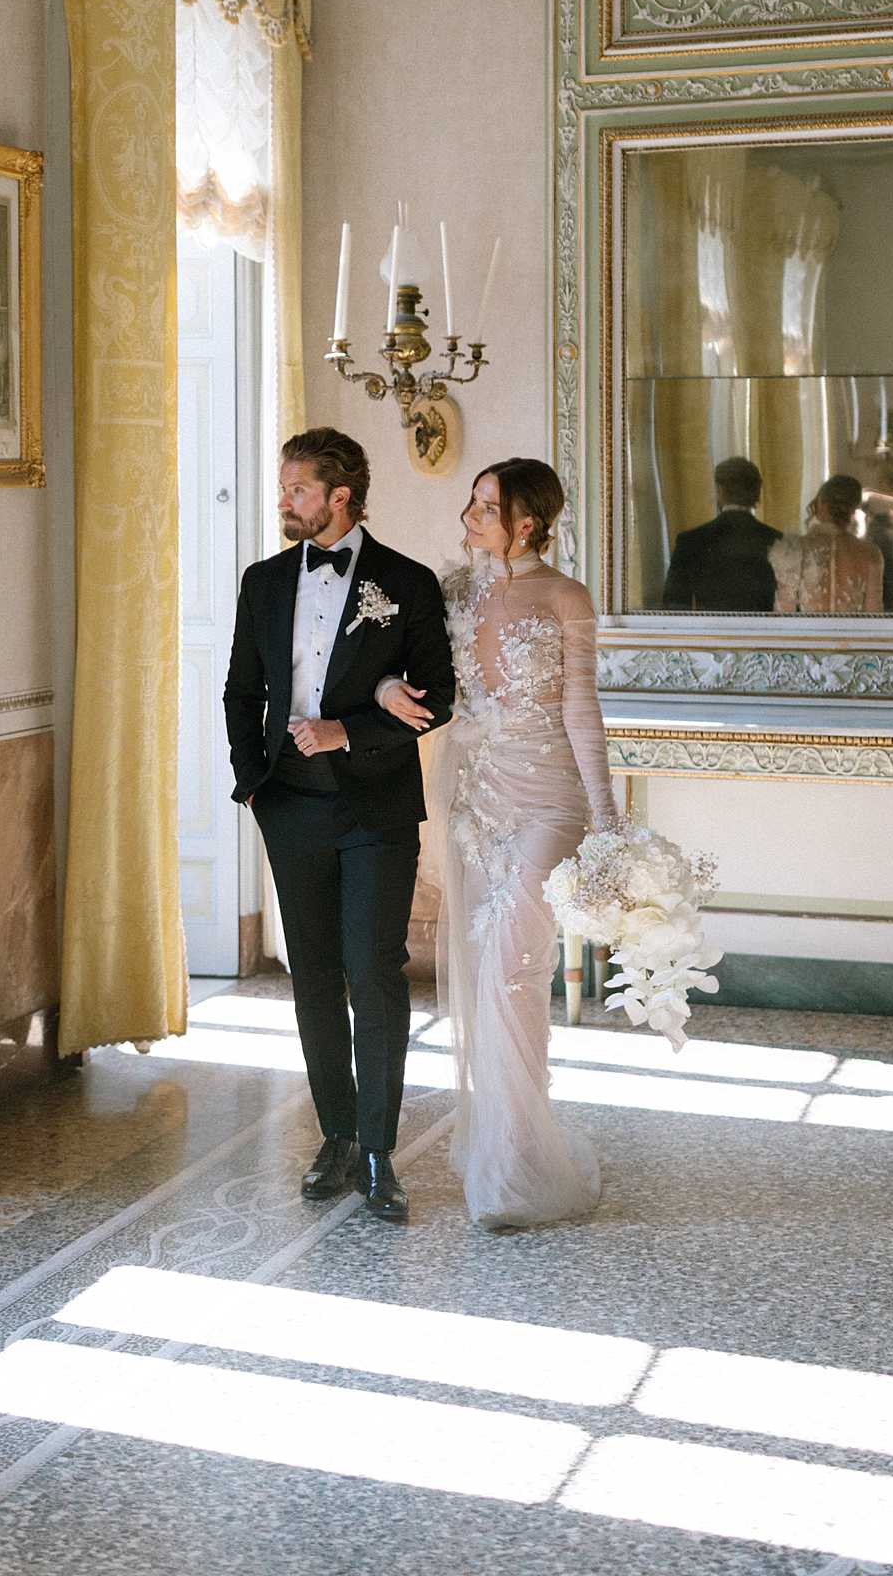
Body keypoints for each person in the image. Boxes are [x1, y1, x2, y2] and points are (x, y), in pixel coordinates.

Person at [223, 428, 455, 1224]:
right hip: (289, 806)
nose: (284, 501)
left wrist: (349, 731)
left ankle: (383, 1153)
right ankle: (337, 1135)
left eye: (296, 489)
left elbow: (437, 699)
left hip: (377, 809)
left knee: (375, 973)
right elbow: (238, 693)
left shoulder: (408, 582)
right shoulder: (261, 581)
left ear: (339, 497)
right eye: (285, 488)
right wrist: (254, 784)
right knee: (314, 976)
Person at [380, 459, 614, 1230]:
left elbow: (582, 711)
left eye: (487, 506)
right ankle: (504, 1147)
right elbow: (404, 671)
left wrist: (607, 820)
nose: (470, 516)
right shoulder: (456, 592)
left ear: (527, 522)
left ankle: (518, 1167)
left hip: (550, 799)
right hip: (476, 802)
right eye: (473, 503)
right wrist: (385, 690)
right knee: (487, 975)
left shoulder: (565, 596)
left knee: (515, 968)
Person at [661, 456, 780, 612]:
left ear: (720, 490)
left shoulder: (690, 541)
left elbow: (673, 606)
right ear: (757, 492)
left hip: (712, 634)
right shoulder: (778, 540)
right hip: (765, 634)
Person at [771, 473, 885, 614]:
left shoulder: (793, 549)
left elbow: (784, 614)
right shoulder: (870, 553)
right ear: (853, 508)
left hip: (810, 635)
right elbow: (874, 615)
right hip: (850, 635)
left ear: (821, 504)